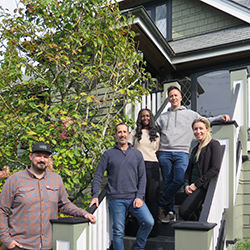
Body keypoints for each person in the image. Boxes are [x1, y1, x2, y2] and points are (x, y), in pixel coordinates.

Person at [0, 142, 96, 250]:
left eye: (45, 157)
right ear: (31, 156)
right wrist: (7, 240)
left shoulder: (56, 179)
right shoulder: (14, 180)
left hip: (48, 245)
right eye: (39, 156)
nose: (42, 159)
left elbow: (65, 204)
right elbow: (2, 210)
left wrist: (84, 213)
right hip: (21, 245)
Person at [156, 85, 230, 223]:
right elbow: (153, 132)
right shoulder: (162, 117)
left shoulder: (190, 114)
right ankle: (170, 211)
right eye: (171, 96)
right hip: (165, 152)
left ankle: (161, 204)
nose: (173, 98)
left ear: (180, 97)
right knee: (167, 182)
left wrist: (221, 117)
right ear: (168, 98)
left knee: (178, 180)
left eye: (175, 95)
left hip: (182, 152)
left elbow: (205, 120)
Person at [90, 123, 154, 250]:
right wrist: (95, 195)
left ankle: (138, 247)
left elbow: (142, 178)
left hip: (134, 198)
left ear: (128, 134)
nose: (122, 134)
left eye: (124, 132)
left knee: (148, 222)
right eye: (119, 132)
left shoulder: (137, 154)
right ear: (115, 135)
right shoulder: (108, 154)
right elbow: (98, 175)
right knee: (118, 232)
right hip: (116, 199)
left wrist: (140, 196)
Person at [179, 117, 222, 221]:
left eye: (201, 128)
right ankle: (197, 228)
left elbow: (215, 169)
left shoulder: (213, 145)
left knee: (183, 211)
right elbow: (189, 170)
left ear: (207, 129)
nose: (198, 131)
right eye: (195, 129)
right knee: (194, 212)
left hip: (202, 187)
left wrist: (196, 185)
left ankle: (197, 225)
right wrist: (186, 185)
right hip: (191, 187)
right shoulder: (195, 148)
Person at [128, 108, 160, 236]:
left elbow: (156, 151)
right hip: (137, 166)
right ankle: (138, 227)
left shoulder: (156, 134)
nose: (145, 118)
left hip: (152, 166)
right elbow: (129, 148)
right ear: (139, 118)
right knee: (139, 197)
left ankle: (153, 230)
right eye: (142, 116)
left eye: (147, 116)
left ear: (150, 117)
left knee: (152, 197)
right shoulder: (135, 132)